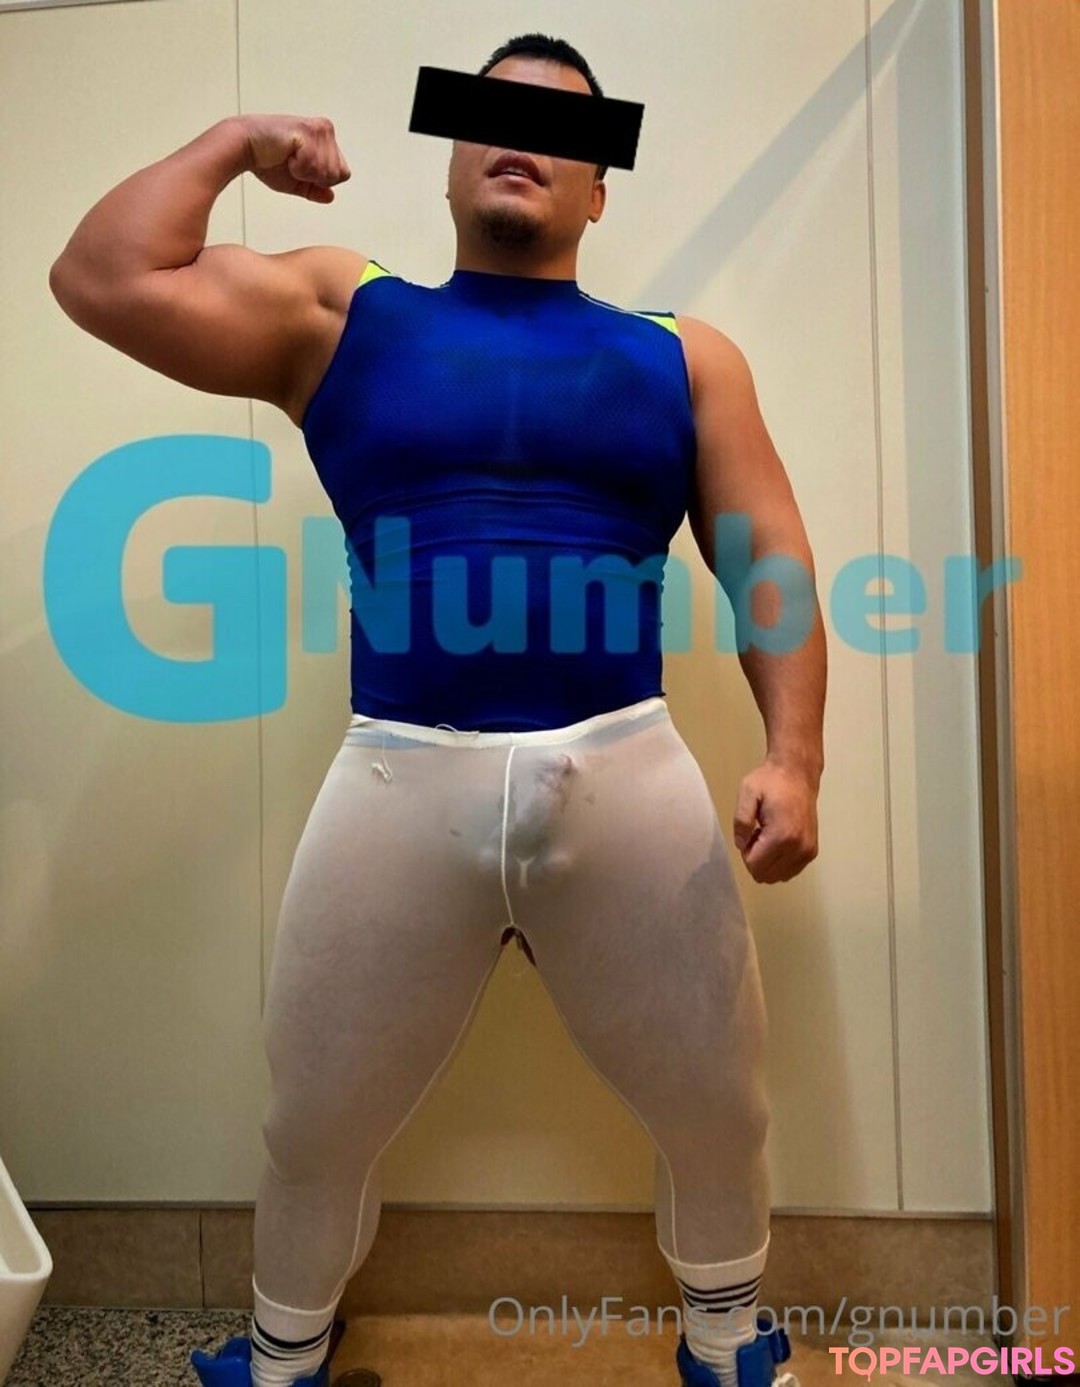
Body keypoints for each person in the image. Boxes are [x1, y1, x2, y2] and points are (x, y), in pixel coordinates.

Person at [49, 32, 826, 1387]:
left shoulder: (687, 358)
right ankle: (283, 1360)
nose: (520, 140)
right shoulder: (339, 314)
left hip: (624, 776)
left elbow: (771, 563)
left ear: (600, 191)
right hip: (400, 781)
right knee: (312, 1122)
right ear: (454, 159)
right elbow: (101, 276)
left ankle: (726, 1342)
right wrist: (235, 144)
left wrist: (796, 757)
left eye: (563, 130)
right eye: (489, 117)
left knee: (720, 1109)